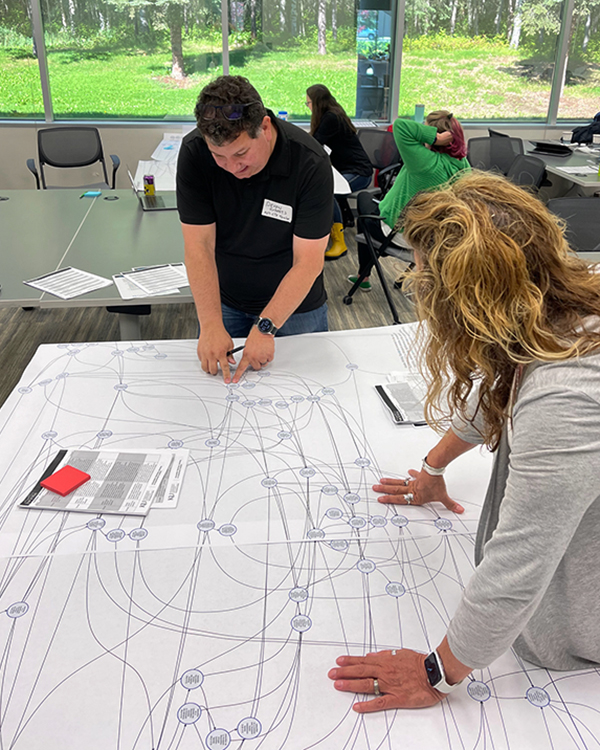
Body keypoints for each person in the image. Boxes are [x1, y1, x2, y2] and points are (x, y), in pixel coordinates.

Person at [328, 171, 600, 711]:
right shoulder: (561, 303)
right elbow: (506, 385)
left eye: (427, 275)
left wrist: (436, 672)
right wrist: (433, 466)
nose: (417, 283)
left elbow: (521, 560)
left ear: (473, 295)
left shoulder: (569, 396)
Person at [177, 75, 333, 384]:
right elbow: (199, 248)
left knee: (306, 397)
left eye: (240, 154)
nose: (232, 168)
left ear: (263, 126)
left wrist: (266, 326)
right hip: (227, 300)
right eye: (218, 156)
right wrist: (209, 325)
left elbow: (309, 261)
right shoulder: (195, 153)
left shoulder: (309, 162)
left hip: (296, 309)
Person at [348, 110, 469, 292]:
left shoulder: (425, 162)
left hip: (400, 234)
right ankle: (364, 272)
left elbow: (400, 126)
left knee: (365, 208)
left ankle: (363, 275)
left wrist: (433, 138)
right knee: (375, 205)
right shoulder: (463, 166)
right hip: (433, 239)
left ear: (438, 137)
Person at [306, 84, 373, 260]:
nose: (308, 107)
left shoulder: (331, 118)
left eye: (308, 103)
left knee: (330, 193)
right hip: (345, 170)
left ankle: (339, 243)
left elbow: (314, 144)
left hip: (359, 171)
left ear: (317, 103)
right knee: (322, 187)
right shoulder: (330, 114)